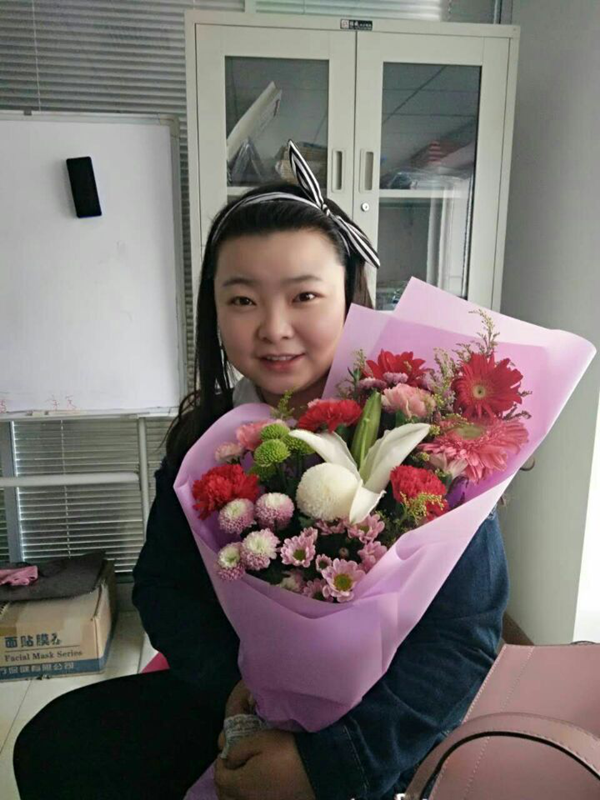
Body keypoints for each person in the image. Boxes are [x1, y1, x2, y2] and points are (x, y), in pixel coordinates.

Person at [13, 143, 509, 800]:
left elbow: (463, 636)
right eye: (243, 299)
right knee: (54, 745)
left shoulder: (422, 439)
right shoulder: (204, 443)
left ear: (351, 300)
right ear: (214, 311)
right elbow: (163, 587)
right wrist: (232, 686)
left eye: (304, 295)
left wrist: (327, 766)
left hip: (379, 727)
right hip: (240, 696)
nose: (274, 329)